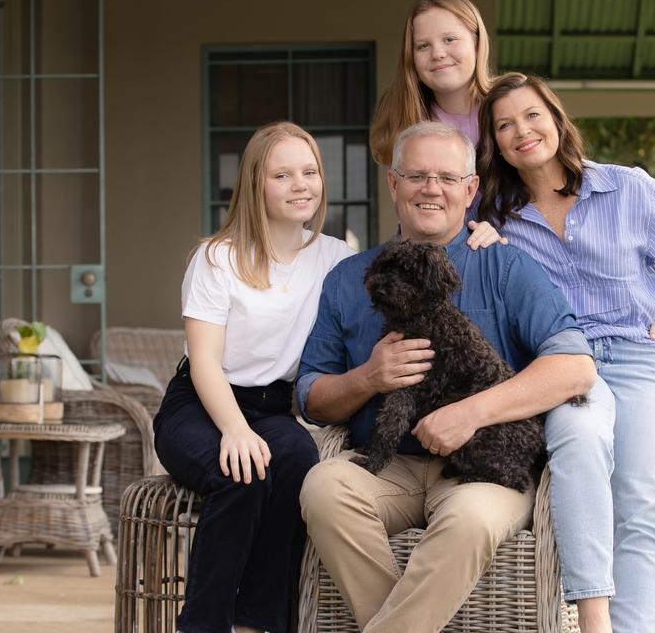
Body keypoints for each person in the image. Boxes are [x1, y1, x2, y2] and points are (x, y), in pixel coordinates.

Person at [152, 121, 506, 633]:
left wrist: (480, 227)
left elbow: (415, 238)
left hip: (273, 407)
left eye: (310, 171)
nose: (301, 184)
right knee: (242, 473)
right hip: (204, 403)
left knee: (296, 462)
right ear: (255, 184)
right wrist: (233, 429)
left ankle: (261, 622)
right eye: (282, 175)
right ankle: (204, 623)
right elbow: (205, 361)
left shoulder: (335, 257)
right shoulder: (218, 257)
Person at [297, 121, 602, 633]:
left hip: (482, 469)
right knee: (323, 487)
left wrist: (469, 413)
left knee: (470, 520)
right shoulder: (350, 278)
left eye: (445, 176)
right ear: (393, 185)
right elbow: (313, 398)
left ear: (469, 190)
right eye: (416, 175)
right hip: (386, 466)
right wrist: (369, 378)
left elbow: (575, 368)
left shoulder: (506, 268)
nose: (430, 188)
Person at [477, 72, 655, 633]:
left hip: (641, 359)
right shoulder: (496, 219)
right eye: (505, 124)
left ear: (557, 119)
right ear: (495, 143)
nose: (522, 131)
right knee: (579, 443)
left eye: (532, 115)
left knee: (639, 505)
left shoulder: (626, 188)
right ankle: (592, 619)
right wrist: (486, 243)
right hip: (564, 366)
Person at [368, 0, 493, 166]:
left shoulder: (509, 109)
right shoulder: (402, 118)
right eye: (423, 46)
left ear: (477, 44)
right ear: (411, 57)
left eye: (450, 39)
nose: (438, 54)